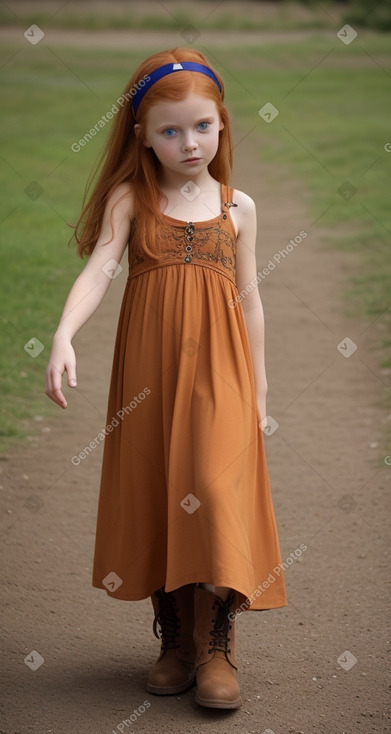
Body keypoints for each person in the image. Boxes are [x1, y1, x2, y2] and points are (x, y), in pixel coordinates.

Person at [45, 47, 288, 710]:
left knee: (212, 489)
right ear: (142, 137)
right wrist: (63, 334)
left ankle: (217, 641)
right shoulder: (134, 198)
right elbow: (99, 268)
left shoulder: (238, 208)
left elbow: (251, 300)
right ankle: (175, 642)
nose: (189, 142)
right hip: (146, 377)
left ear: (223, 125)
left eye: (202, 126)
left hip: (223, 376)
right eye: (170, 130)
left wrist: (259, 389)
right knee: (161, 489)